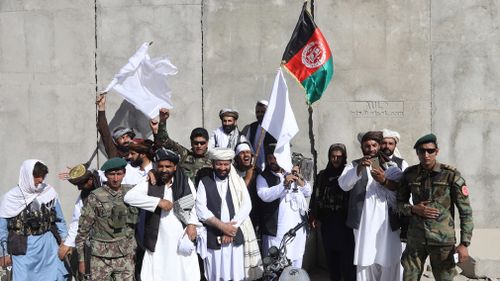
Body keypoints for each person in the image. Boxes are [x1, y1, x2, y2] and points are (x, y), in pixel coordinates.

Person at [397, 133, 473, 281]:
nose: (426, 154)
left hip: (442, 241)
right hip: (415, 240)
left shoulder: (450, 175)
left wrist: (464, 243)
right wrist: (413, 208)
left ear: (436, 152)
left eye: (430, 151)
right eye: (422, 151)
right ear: (417, 153)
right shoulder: (410, 174)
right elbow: (399, 204)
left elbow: (466, 211)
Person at [124, 148, 201, 281]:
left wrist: (192, 224)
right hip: (158, 239)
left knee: (183, 273)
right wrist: (157, 202)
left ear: (175, 167)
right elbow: (129, 197)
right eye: (160, 166)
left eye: (168, 166)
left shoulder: (184, 183)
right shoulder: (151, 182)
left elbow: (194, 205)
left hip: (180, 237)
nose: (164, 170)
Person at [338, 131, 402, 281]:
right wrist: (359, 169)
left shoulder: (395, 164)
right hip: (364, 224)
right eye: (367, 146)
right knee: (366, 262)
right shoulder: (353, 165)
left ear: (379, 146)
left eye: (374, 145)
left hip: (388, 223)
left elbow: (404, 189)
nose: (371, 149)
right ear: (362, 148)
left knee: (389, 260)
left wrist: (384, 180)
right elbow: (344, 185)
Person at [196, 148, 262, 280]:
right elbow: (201, 209)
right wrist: (222, 227)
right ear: (213, 163)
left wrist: (231, 229)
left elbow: (246, 205)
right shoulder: (205, 182)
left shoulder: (237, 181)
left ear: (230, 164)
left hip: (234, 237)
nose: (222, 168)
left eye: (226, 164)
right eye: (219, 164)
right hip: (214, 237)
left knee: (235, 275)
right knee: (215, 275)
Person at [0, 160, 69, 280]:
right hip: (22, 249)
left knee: (56, 275)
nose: (41, 180)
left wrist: (65, 242)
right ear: (27, 176)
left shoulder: (48, 192)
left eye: (43, 176)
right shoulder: (11, 198)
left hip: (48, 246)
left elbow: (59, 219)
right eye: (37, 176)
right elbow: (2, 229)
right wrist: (3, 253)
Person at [75, 157, 138, 280]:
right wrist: (81, 261)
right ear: (105, 175)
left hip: (125, 255)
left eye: (119, 174)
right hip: (101, 258)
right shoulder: (96, 196)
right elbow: (83, 231)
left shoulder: (132, 191)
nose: (115, 178)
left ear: (124, 173)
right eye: (112, 174)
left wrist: (153, 173)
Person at [256, 146, 312, 268]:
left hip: (297, 231)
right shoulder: (263, 177)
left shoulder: (291, 172)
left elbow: (307, 192)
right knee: (276, 267)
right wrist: (284, 184)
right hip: (277, 233)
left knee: (296, 267)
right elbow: (264, 195)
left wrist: (298, 179)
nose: (273, 161)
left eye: (275, 158)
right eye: (270, 158)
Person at [310, 143, 355, 281]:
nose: (336, 159)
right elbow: (315, 196)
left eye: (339, 157)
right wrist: (313, 215)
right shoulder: (323, 175)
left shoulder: (348, 174)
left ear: (344, 158)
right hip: (328, 223)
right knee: (331, 258)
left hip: (345, 223)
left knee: (347, 260)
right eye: (333, 156)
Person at [57, 163, 101, 277]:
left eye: (81, 184)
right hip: (96, 243)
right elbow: (77, 220)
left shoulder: (108, 180)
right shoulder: (84, 196)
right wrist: (67, 244)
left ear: (90, 179)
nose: (78, 188)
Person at [151, 108, 212, 183]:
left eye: (202, 143)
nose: (199, 146)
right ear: (191, 142)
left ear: (207, 143)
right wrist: (163, 121)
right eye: (196, 143)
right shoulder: (184, 154)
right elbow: (164, 141)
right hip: (185, 193)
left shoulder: (213, 159)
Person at [233, 141, 263, 232]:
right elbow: (239, 194)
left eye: (248, 152)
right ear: (237, 158)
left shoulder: (258, 172)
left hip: (253, 216)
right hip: (236, 217)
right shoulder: (232, 172)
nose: (246, 155)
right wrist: (248, 176)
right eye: (242, 153)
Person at [96, 94, 136, 159]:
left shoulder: (138, 153)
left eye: (128, 136)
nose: (126, 140)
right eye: (122, 137)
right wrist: (101, 107)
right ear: (116, 143)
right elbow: (104, 131)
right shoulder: (115, 153)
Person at [241, 100, 275, 170]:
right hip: (255, 167)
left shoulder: (274, 128)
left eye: (263, 112)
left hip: (270, 166)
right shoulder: (252, 127)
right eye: (258, 112)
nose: (260, 114)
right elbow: (247, 145)